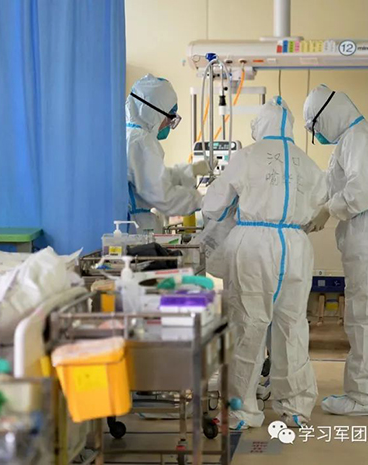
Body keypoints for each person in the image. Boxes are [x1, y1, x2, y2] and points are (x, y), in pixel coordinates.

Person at [202, 97, 327, 429]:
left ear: (260, 125)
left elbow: (213, 205)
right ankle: (296, 407)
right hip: (295, 245)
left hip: (254, 245)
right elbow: (319, 205)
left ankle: (242, 410)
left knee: (248, 324)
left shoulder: (246, 156)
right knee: (292, 326)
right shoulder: (307, 162)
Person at [304, 85, 368, 416]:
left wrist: (328, 210)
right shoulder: (351, 140)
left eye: (315, 128)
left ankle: (364, 398)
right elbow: (334, 184)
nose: (317, 136)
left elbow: (359, 193)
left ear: (326, 117)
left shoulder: (360, 139)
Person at [126, 74, 208, 232]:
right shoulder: (141, 141)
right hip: (136, 228)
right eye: (169, 116)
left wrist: (189, 171)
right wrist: (203, 201)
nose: (169, 124)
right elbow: (164, 197)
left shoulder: (129, 135)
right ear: (153, 112)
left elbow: (153, 177)